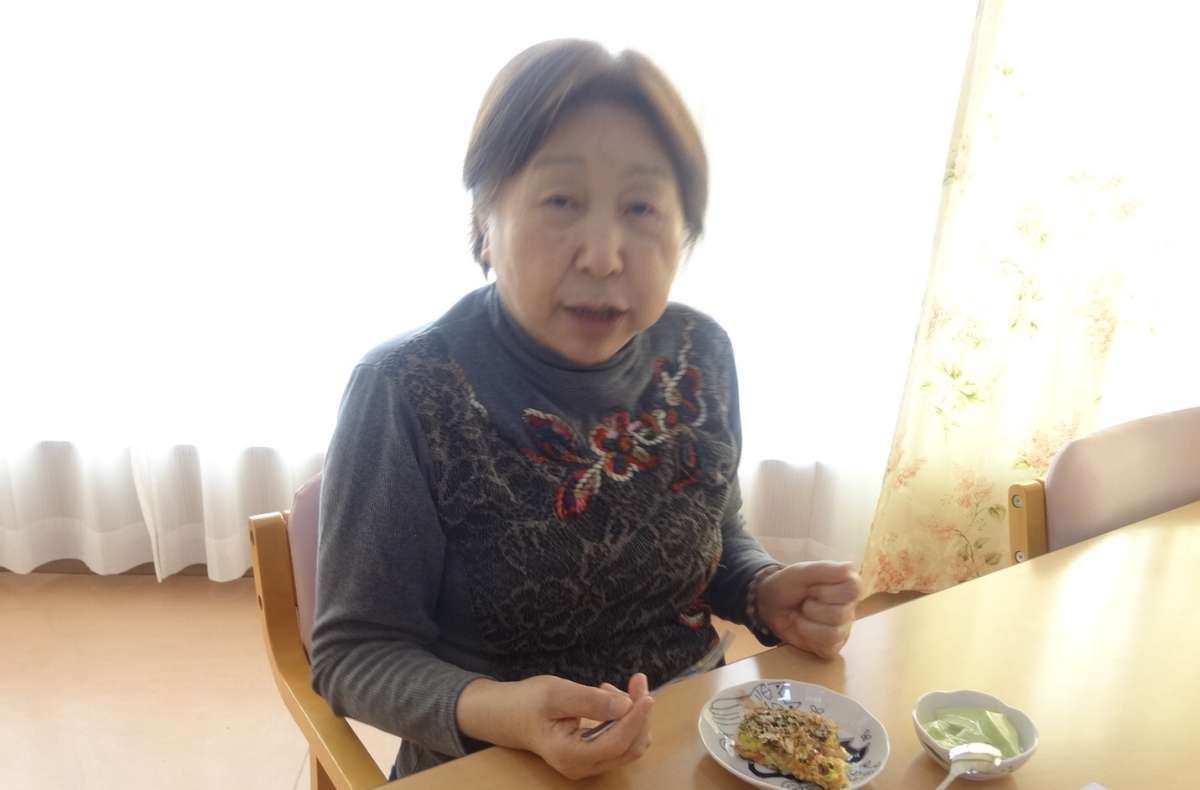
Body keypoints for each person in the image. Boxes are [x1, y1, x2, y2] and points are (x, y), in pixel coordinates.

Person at [310, 38, 863, 781]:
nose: (603, 255)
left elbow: (715, 535)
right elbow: (354, 654)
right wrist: (504, 710)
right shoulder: (407, 388)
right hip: (497, 761)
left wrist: (764, 590)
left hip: (698, 738)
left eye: (641, 208)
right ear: (485, 220)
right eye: (561, 202)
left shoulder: (699, 352)